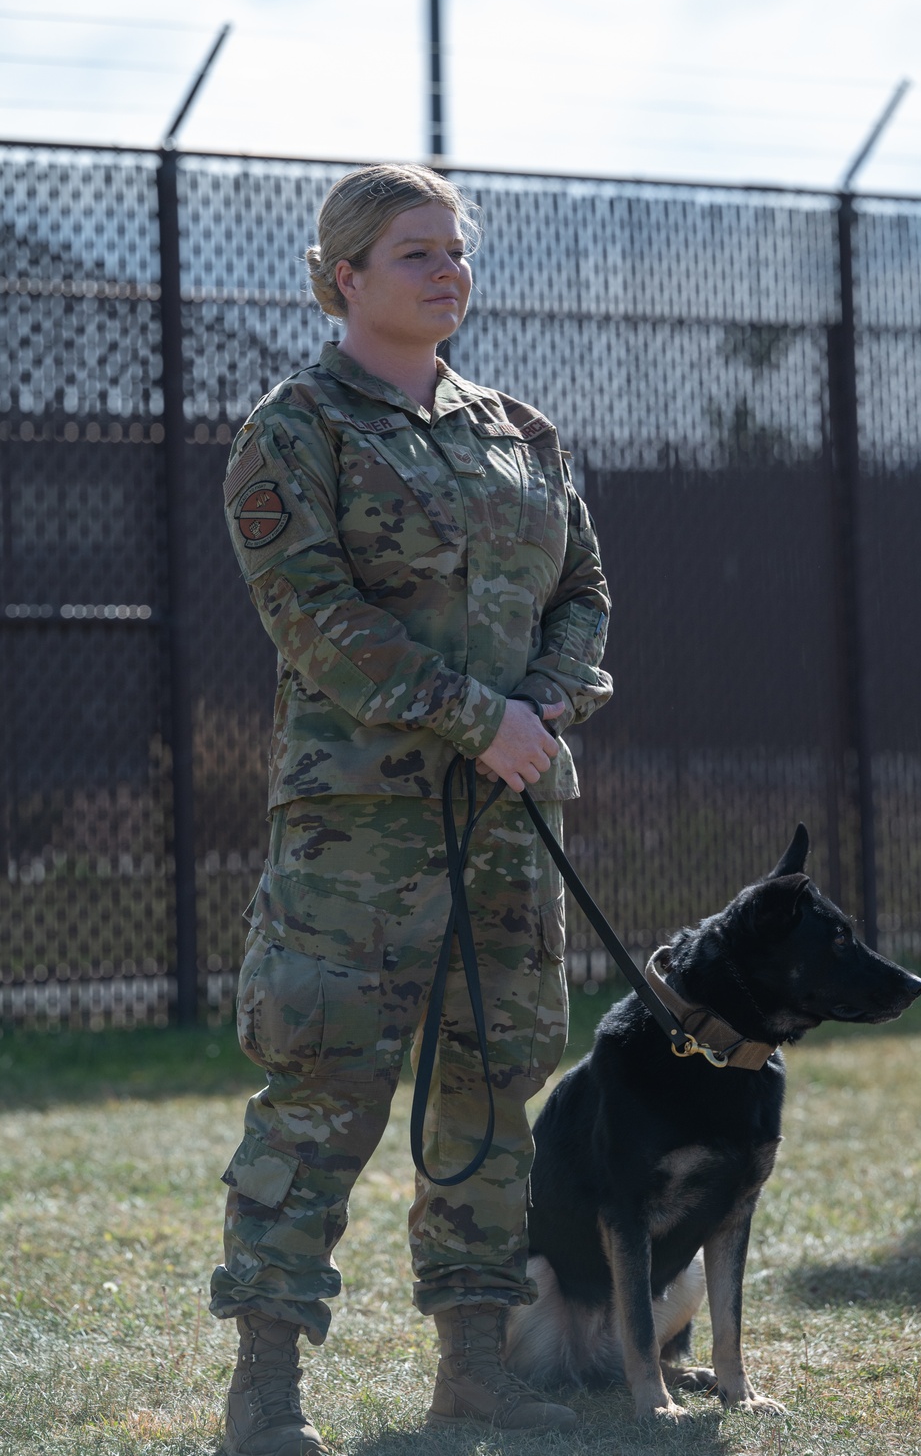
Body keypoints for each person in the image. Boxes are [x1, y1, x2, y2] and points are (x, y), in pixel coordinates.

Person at [211, 163, 612, 1456]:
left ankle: (473, 1391)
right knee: (321, 1098)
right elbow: (315, 620)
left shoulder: (524, 436)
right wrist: (475, 718)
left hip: (507, 831)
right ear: (344, 276)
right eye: (414, 253)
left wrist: (539, 712)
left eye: (457, 250)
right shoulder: (296, 431)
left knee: (492, 1103)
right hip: (356, 842)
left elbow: (584, 595)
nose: (448, 271)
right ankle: (266, 1395)